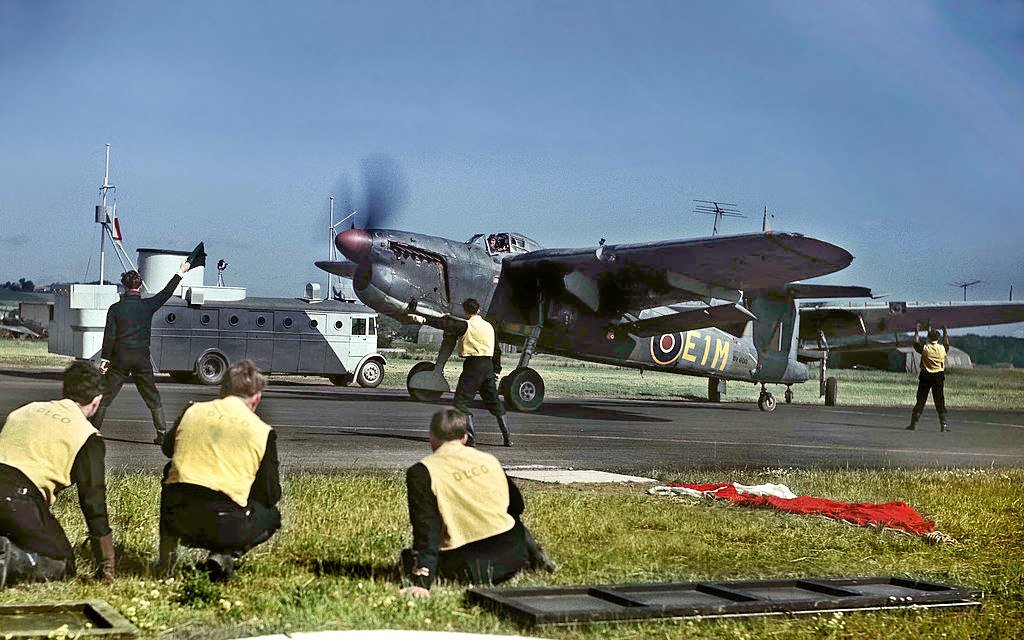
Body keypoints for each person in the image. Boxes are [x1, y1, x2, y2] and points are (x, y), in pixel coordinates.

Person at [400, 408, 552, 598]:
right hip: (514, 555)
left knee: (406, 559)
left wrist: (422, 581)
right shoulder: (489, 460)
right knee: (509, 518)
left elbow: (426, 529)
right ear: (464, 437)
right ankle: (535, 556)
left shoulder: (422, 472)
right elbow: (517, 506)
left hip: (472, 568)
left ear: (431, 435)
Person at [157, 359, 280, 581]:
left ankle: (165, 564)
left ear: (222, 390)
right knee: (272, 516)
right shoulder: (262, 431)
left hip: (179, 519)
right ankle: (223, 553)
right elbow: (270, 494)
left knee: (170, 473)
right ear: (256, 399)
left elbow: (168, 449)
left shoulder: (193, 411)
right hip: (227, 526)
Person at [0, 362, 114, 588]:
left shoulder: (26, 410)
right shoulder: (87, 436)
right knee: (61, 563)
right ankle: (9, 561)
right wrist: (106, 564)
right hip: (18, 496)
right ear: (97, 400)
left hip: (10, 492)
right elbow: (93, 503)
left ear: (65, 391)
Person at [91, 259, 191, 444]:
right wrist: (181, 272)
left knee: (104, 397)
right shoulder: (147, 306)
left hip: (120, 358)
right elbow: (166, 293)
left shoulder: (115, 309)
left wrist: (105, 359)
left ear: (124, 286)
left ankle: (91, 433)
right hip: (141, 358)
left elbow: (110, 336)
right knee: (152, 396)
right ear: (140, 285)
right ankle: (162, 434)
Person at [414, 298, 511, 446]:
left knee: (461, 402)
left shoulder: (465, 325)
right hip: (488, 366)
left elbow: (444, 323)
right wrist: (496, 370)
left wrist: (423, 319)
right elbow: (496, 350)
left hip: (473, 366)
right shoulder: (489, 327)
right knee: (494, 402)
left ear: (465, 312)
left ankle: (471, 439)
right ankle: (507, 438)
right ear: (478, 310)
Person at [906, 324, 951, 432]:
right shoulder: (942, 349)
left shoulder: (926, 348)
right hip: (938, 376)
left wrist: (916, 331)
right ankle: (943, 424)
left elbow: (915, 343)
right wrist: (945, 332)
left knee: (921, 400)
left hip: (925, 376)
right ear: (938, 338)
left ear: (929, 338)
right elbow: (946, 343)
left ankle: (914, 423)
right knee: (939, 400)